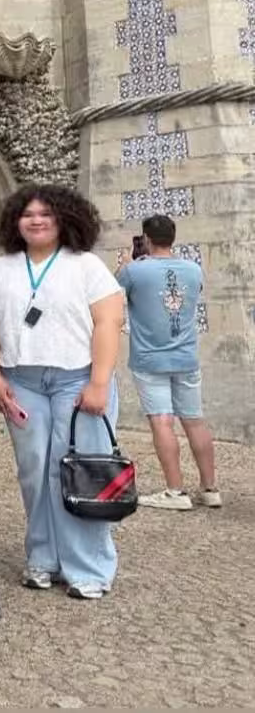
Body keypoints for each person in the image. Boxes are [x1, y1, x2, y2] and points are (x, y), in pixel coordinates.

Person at [0, 184, 124, 600]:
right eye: (28, 213)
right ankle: (43, 558)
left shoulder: (87, 266)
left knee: (79, 470)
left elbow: (107, 323)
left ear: (64, 218)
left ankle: (88, 569)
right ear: (15, 221)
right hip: (20, 380)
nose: (37, 220)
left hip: (76, 380)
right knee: (34, 472)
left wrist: (98, 382)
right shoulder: (1, 268)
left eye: (46, 213)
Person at [116, 214, 220, 510]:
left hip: (150, 359)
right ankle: (210, 488)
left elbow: (115, 291)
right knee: (194, 420)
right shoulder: (193, 269)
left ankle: (176, 491)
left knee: (162, 421)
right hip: (186, 356)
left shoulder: (135, 271)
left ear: (146, 239)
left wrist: (125, 264)